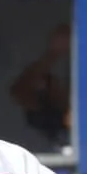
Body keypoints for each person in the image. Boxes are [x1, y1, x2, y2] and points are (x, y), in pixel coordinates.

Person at [9, 23, 71, 155]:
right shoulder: (46, 118)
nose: (56, 86)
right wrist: (54, 53)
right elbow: (20, 90)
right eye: (51, 83)